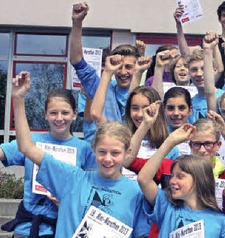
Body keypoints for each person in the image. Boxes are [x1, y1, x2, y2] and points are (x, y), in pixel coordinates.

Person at [10, 71, 149, 237]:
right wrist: (18, 99)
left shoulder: (135, 192)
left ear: (128, 153)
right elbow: (27, 147)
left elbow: (141, 234)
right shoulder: (71, 178)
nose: (108, 159)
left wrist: (148, 126)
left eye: (115, 153)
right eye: (102, 152)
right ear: (93, 149)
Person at [0, 86, 96, 237]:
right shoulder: (31, 142)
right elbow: (3, 152)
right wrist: (17, 98)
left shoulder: (84, 149)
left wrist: (67, 200)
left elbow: (93, 190)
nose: (59, 118)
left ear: (74, 114)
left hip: (62, 229)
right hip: (26, 228)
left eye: (65, 112)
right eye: (53, 113)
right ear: (45, 114)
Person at [138, 124, 225, 237]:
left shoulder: (221, 221)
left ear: (199, 179)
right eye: (172, 175)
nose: (172, 181)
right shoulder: (167, 207)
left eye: (180, 176)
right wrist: (170, 142)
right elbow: (143, 179)